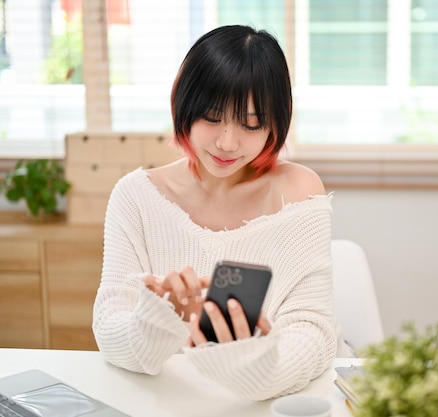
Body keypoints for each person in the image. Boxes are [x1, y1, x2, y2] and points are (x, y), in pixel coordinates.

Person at [92, 25, 341, 401]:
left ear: (276, 120)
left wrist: (249, 363)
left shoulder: (298, 193)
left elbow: (313, 334)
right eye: (211, 117)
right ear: (183, 105)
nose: (227, 143)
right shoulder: (137, 196)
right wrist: (162, 320)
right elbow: (110, 332)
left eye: (251, 123)